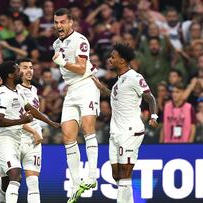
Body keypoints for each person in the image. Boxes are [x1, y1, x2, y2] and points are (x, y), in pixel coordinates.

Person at [92, 43, 158, 203]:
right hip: (116, 132)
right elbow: (116, 96)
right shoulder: (119, 81)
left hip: (131, 131)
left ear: (122, 60)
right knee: (116, 175)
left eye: (112, 57)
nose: (109, 60)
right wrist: (100, 87)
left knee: (124, 174)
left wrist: (153, 116)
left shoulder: (135, 77)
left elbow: (150, 97)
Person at [0, 61, 59, 203]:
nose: (22, 73)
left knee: (10, 181)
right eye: (19, 70)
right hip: (2, 140)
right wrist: (21, 121)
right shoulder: (2, 92)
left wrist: (51, 123)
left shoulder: (18, 91)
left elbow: (30, 108)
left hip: (15, 139)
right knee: (15, 174)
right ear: (11, 75)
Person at [52, 8, 99, 203]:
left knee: (88, 128)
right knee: (67, 136)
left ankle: (92, 176)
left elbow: (80, 69)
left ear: (71, 22)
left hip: (86, 84)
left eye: (62, 22)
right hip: (71, 90)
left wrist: (62, 62)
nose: (59, 26)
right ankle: (76, 183)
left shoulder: (81, 40)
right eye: (56, 22)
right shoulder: (56, 43)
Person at [16, 58, 43, 202]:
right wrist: (34, 131)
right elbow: (15, 117)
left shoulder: (34, 89)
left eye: (31, 67)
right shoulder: (14, 90)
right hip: (16, 139)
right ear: (17, 70)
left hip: (34, 141)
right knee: (8, 181)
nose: (29, 70)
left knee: (33, 182)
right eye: (25, 67)